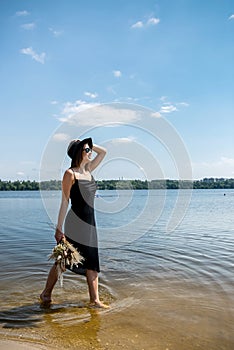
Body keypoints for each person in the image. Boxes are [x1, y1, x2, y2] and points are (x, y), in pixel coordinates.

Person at [40, 137, 109, 308]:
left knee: (92, 261)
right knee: (63, 261)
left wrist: (88, 144)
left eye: (89, 149)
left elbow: (104, 152)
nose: (90, 152)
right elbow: (64, 202)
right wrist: (59, 228)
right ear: (78, 153)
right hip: (75, 223)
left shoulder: (89, 170)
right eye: (86, 150)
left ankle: (95, 300)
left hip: (90, 224)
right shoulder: (70, 174)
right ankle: (46, 293)